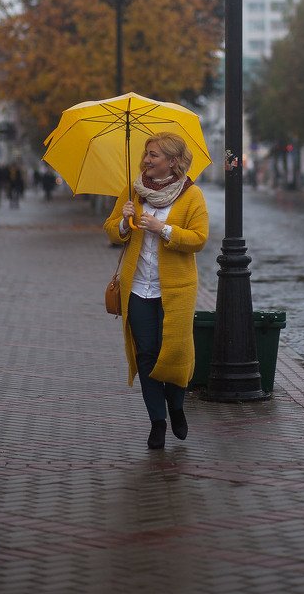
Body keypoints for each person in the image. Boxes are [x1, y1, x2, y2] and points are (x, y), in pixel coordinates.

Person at [104, 132, 209, 451]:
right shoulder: (133, 192)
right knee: (146, 355)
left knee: (174, 353)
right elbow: (111, 231)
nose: (146, 160)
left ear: (173, 162)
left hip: (175, 290)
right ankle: (157, 422)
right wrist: (124, 223)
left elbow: (199, 239)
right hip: (138, 289)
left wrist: (162, 229)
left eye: (154, 155)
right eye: (146, 153)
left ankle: (176, 406)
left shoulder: (191, 195)